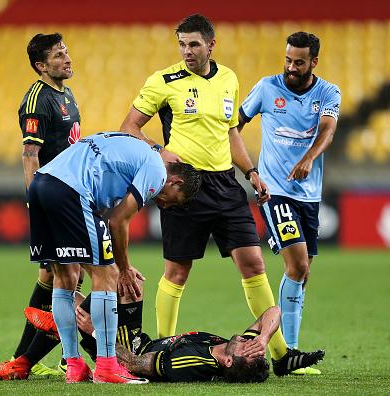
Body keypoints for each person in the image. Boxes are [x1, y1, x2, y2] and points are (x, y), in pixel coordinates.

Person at [119, 13, 298, 376]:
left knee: (254, 263)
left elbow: (231, 132)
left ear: (211, 45)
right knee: (178, 270)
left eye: (194, 44)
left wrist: (251, 171)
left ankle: (280, 355)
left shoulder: (229, 78)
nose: (186, 51)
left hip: (227, 185)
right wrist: (157, 151)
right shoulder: (163, 81)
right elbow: (129, 127)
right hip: (184, 186)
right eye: (182, 44)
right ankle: (160, 350)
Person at [26, 132, 201, 384]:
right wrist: (125, 267)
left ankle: (74, 365)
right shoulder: (156, 170)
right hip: (70, 190)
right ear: (175, 181)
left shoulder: (133, 151)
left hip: (40, 184)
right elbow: (118, 220)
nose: (164, 204)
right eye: (171, 200)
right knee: (107, 275)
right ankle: (107, 367)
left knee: (66, 277)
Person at [0, 32, 83, 380]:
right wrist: (37, 201)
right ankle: (57, 359)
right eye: (57, 55)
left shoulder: (65, 93)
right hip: (53, 199)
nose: (66, 59)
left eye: (66, 52)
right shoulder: (37, 99)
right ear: (40, 65)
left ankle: (24, 359)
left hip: (70, 195)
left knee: (54, 276)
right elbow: (30, 154)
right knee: (69, 275)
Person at [238, 32, 341, 375]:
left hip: (309, 195)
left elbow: (327, 130)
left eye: (299, 62)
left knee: (302, 272)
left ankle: (290, 356)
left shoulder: (328, 92)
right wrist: (251, 171)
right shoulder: (267, 88)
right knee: (296, 266)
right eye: (288, 60)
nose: (291, 67)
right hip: (275, 191)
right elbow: (233, 125)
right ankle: (287, 352)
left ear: (314, 62)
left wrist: (310, 158)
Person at [25, 301, 325, 383]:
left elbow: (135, 364)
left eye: (249, 349)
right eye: (255, 347)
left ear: (230, 362)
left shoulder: (192, 364)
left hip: (123, 349)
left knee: (73, 303)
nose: (250, 343)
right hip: (139, 338)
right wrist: (262, 337)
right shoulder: (234, 346)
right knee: (128, 280)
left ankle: (33, 355)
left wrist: (94, 332)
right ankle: (60, 328)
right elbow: (274, 311)